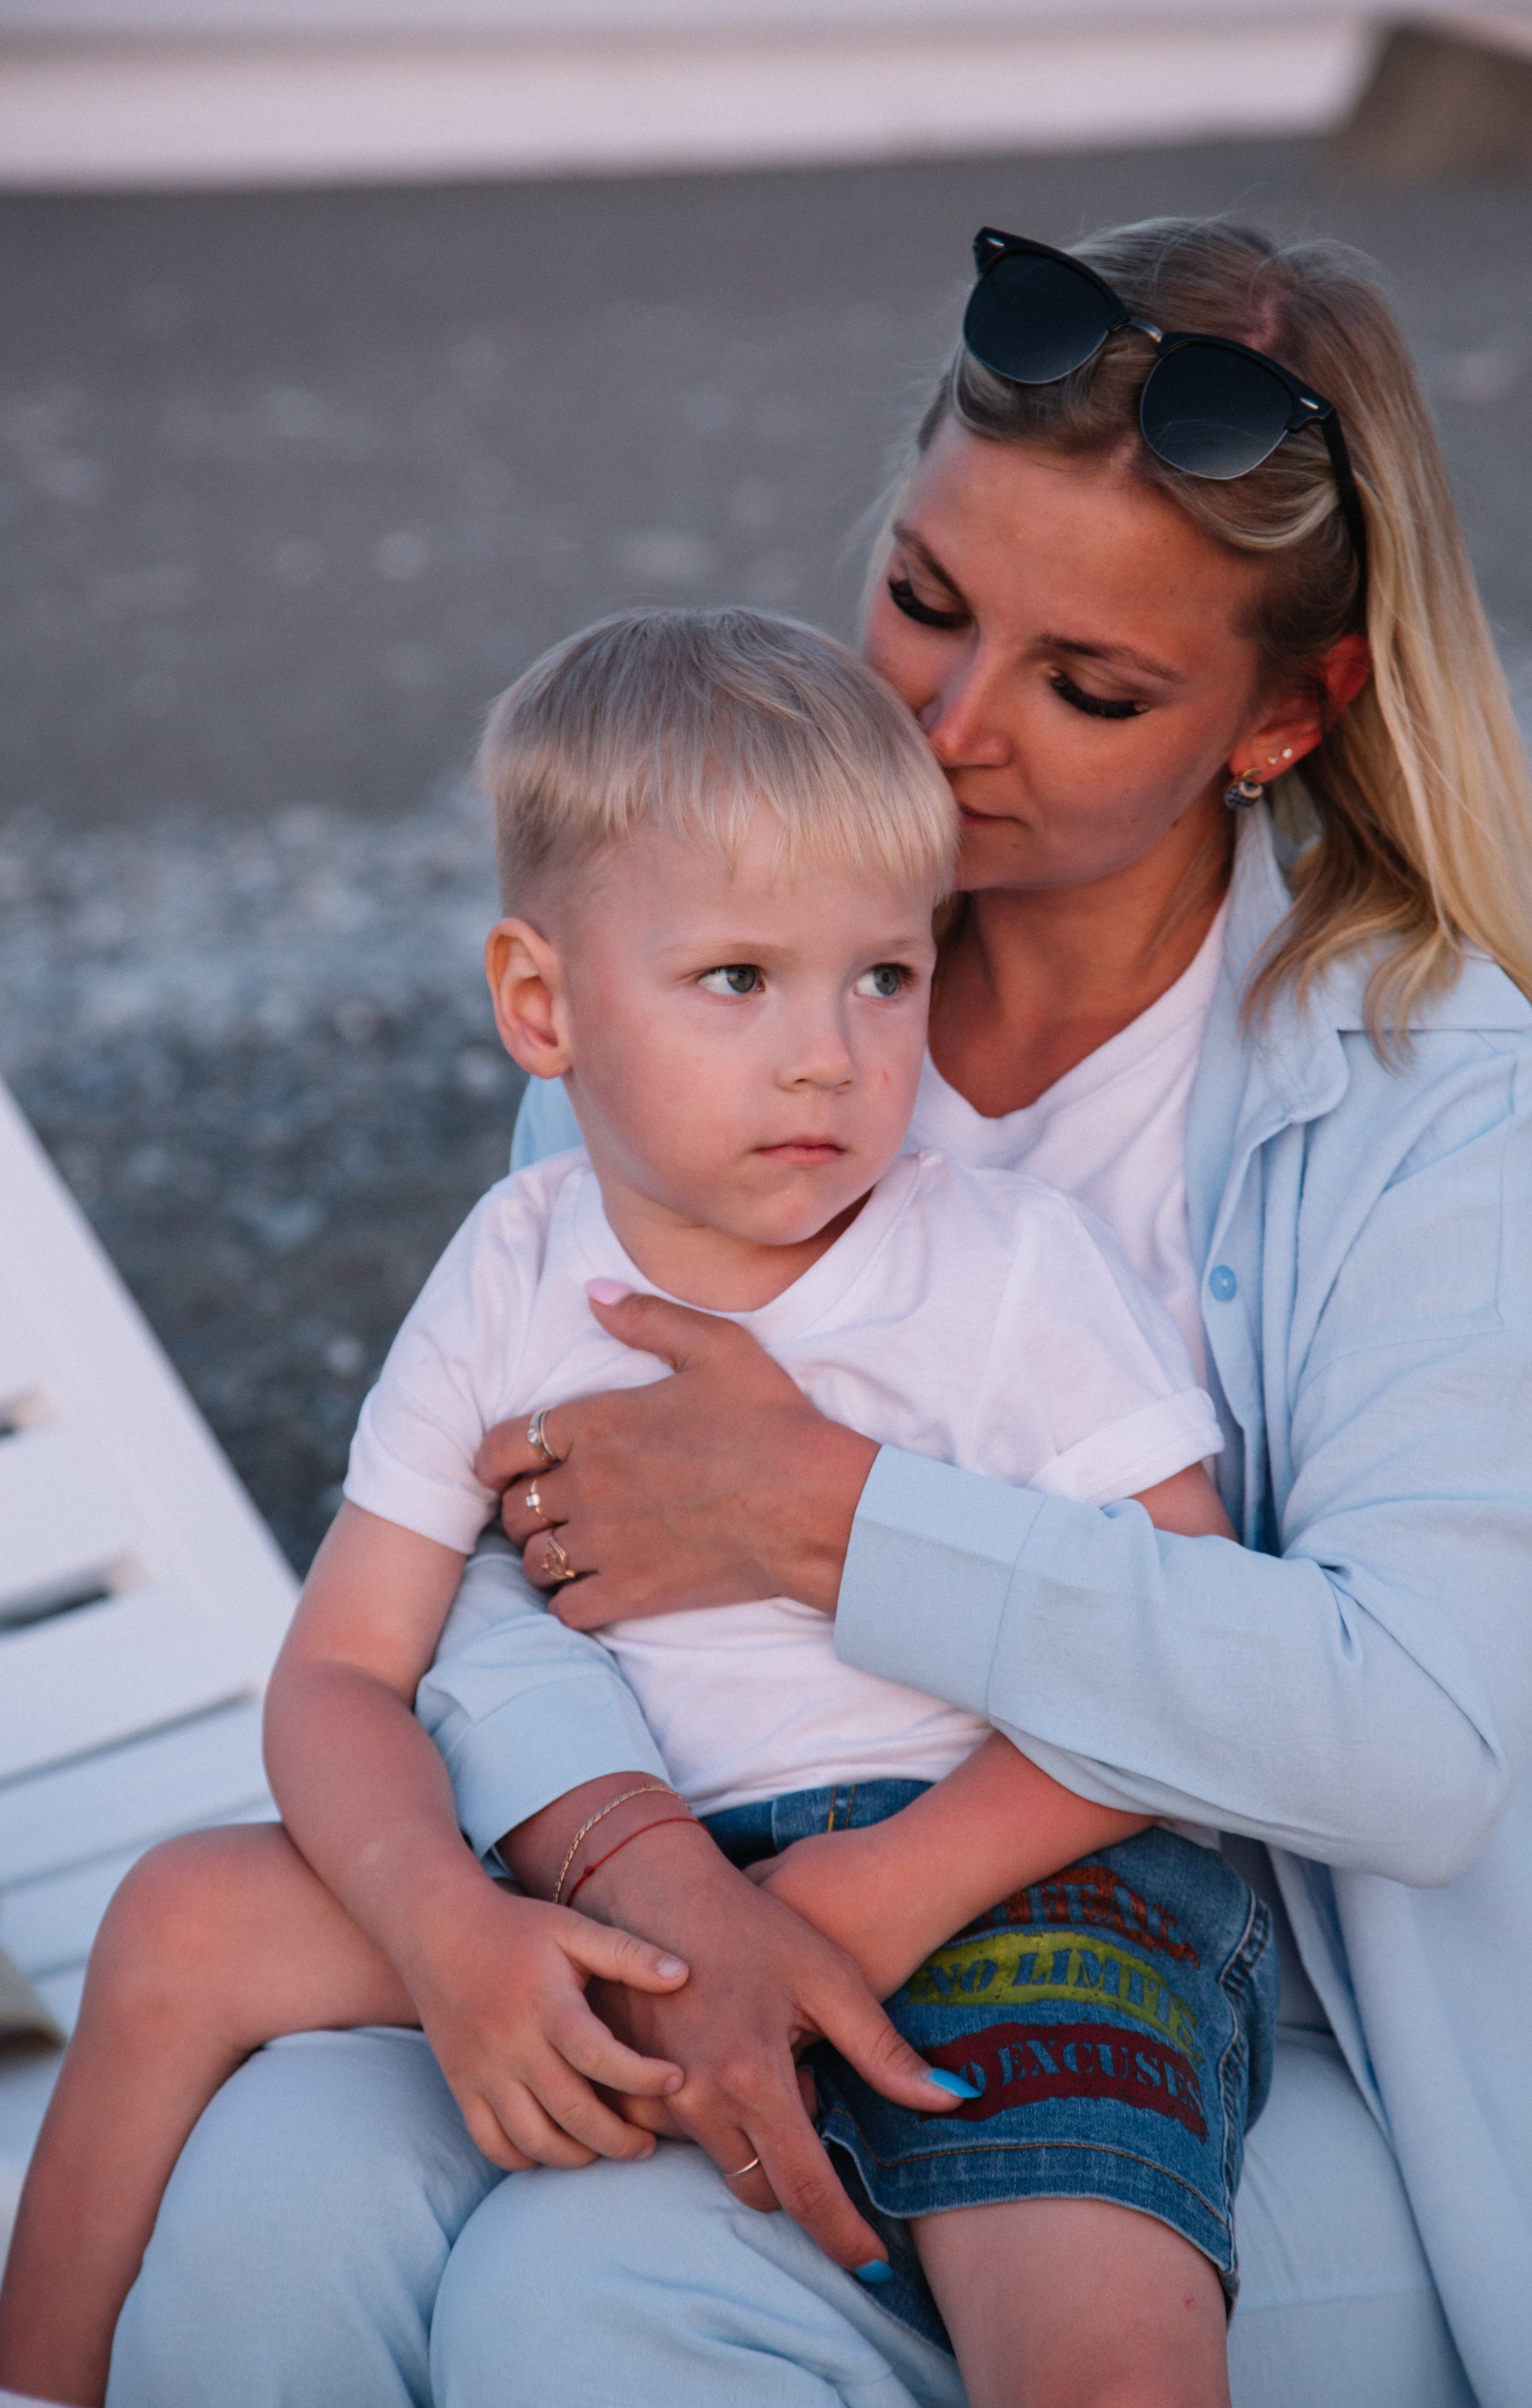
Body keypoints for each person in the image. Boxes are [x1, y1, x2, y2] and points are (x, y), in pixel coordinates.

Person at [105, 216, 1532, 2408]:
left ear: (1288, 713)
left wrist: (830, 1523)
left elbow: (1422, 1734)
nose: (952, 729)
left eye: (1091, 688)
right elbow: (513, 1544)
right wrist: (638, 1879)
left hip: (1263, 2020)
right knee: (255, 2215)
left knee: (583, 2313)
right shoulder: (713, 947)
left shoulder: (1413, 1081)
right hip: (682, 1868)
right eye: (924, 602)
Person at [1, 606, 1271, 2408]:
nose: (828, 1054)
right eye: (739, 979)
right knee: (179, 1920)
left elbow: (1188, 1637)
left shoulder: (995, 1271)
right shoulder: (514, 1272)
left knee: (1095, 2321)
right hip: (625, 1885)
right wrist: (451, 1928)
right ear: (542, 1002)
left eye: (882, 977)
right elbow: (345, 1676)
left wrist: (874, 1893)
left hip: (990, 1882)